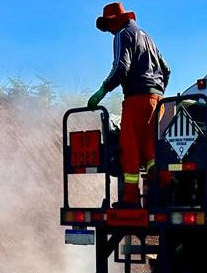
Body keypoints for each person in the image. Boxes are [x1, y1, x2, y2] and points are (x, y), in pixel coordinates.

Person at [88, 3, 170, 207]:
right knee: (151, 148)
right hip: (157, 101)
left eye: (108, 26)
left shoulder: (123, 34)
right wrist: (158, 93)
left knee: (130, 148)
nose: (109, 31)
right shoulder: (147, 37)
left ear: (115, 20)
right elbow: (167, 69)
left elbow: (121, 68)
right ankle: (164, 190)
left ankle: (131, 199)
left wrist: (102, 90)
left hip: (136, 99)